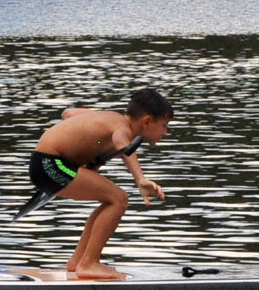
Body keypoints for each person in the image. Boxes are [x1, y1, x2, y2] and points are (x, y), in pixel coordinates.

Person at [29, 88, 172, 279]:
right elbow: (123, 145)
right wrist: (140, 179)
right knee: (118, 199)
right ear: (146, 121)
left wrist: (87, 124)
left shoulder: (109, 118)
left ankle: (78, 262)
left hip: (45, 164)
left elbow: (68, 114)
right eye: (164, 125)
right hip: (50, 165)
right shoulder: (122, 129)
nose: (166, 133)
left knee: (111, 201)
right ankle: (88, 263)